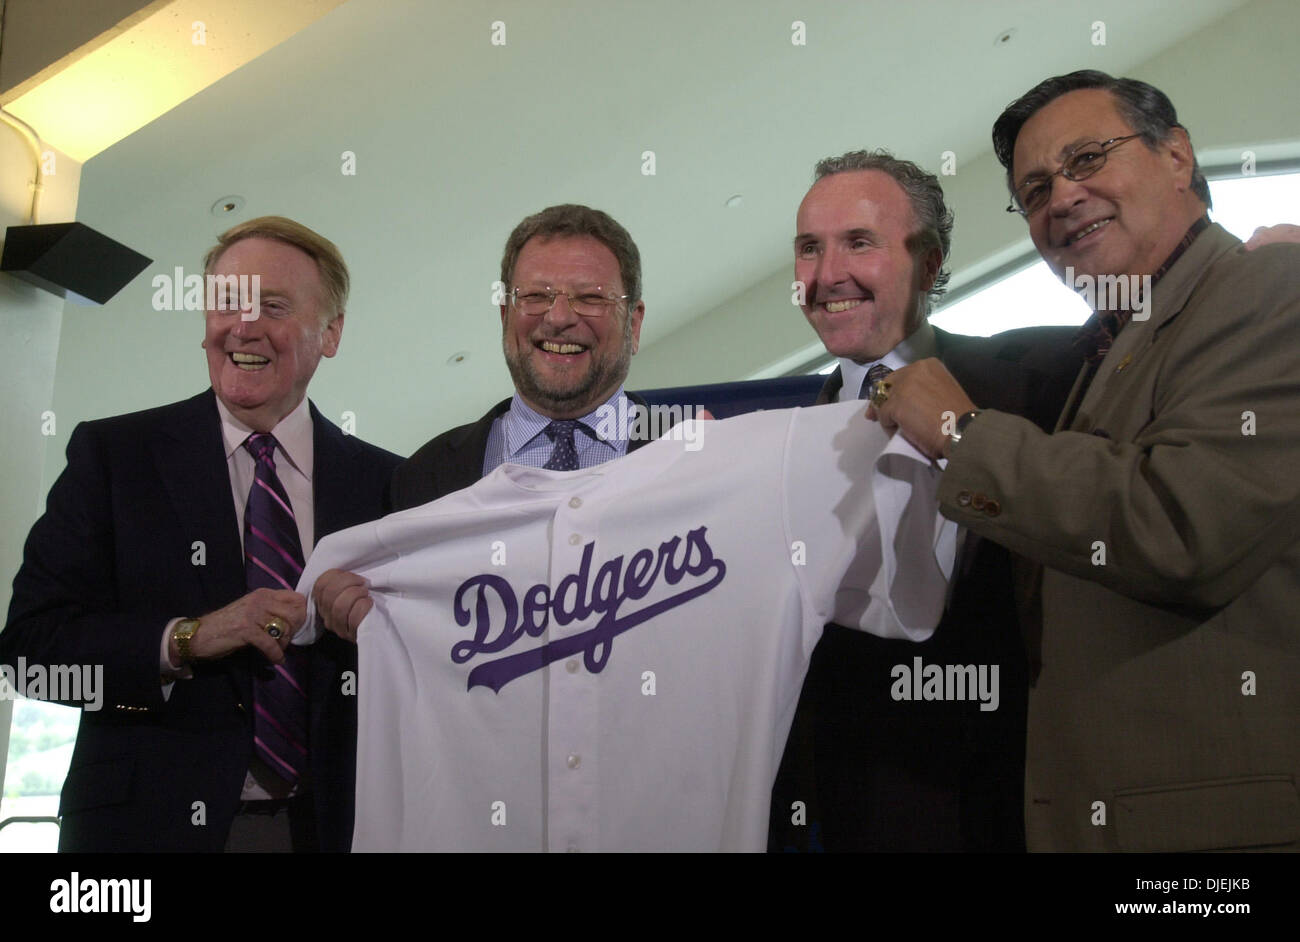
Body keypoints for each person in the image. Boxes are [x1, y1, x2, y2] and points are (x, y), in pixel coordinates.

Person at [874, 70, 1300, 852]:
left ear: (1177, 156)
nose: (1060, 198)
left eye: (1088, 159)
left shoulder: (1273, 286)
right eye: (1034, 189)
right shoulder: (1113, 345)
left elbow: (1179, 524)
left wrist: (963, 434)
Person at [1, 216, 401, 852]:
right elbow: (30, 655)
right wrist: (185, 639)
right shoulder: (115, 457)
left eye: (272, 305)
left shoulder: (391, 487)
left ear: (331, 333)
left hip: (339, 830)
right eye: (226, 304)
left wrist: (378, 632)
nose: (243, 327)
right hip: (145, 834)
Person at [769, 151, 1081, 852]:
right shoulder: (776, 450)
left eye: (859, 242)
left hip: (1040, 803)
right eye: (808, 248)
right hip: (871, 817)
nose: (825, 275)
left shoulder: (1046, 378)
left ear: (931, 265)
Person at [316, 204, 664, 637]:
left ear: (634, 322)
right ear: (505, 315)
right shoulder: (420, 480)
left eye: (591, 297)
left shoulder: (696, 458)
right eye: (534, 296)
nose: (558, 317)